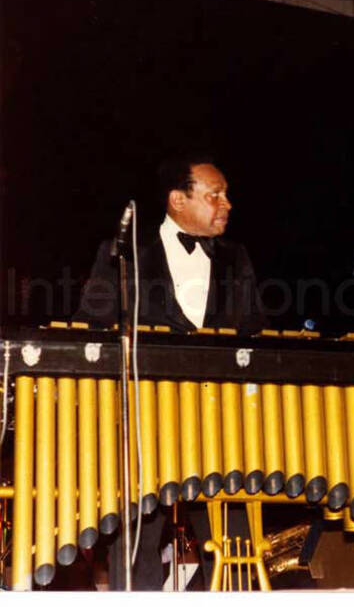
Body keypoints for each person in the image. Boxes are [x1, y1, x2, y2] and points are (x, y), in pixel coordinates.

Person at [74, 153, 267, 589]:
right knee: (137, 537)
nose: (227, 203)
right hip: (148, 419)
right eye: (215, 194)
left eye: (227, 195)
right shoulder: (123, 253)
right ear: (178, 200)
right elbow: (93, 325)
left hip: (222, 417)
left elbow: (255, 331)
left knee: (234, 541)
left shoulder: (237, 259)